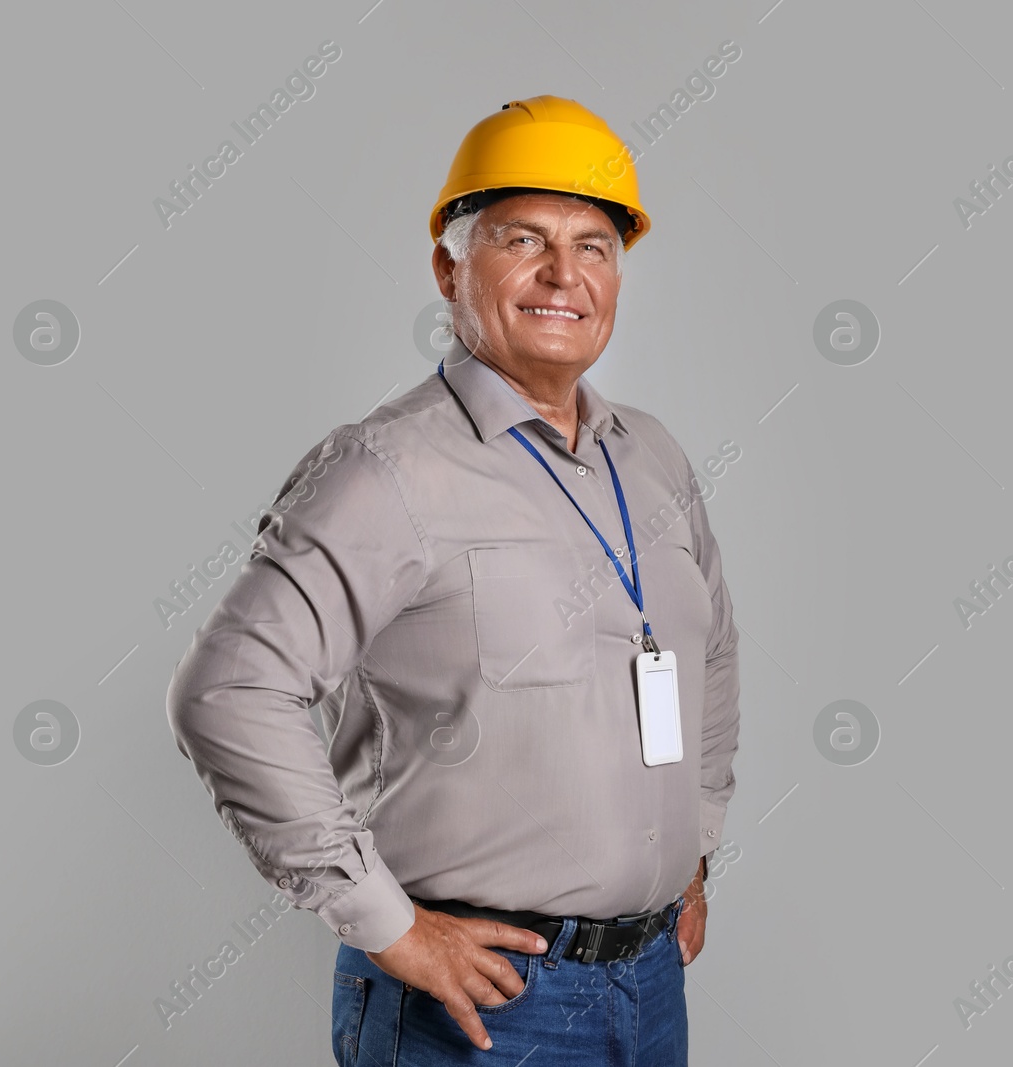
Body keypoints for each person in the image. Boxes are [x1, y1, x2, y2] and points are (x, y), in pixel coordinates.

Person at [165, 94, 741, 1065]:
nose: (565, 274)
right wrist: (386, 923)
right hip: (483, 1006)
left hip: (648, 987)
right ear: (449, 266)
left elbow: (708, 656)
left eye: (594, 245)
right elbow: (227, 689)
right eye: (524, 239)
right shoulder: (387, 471)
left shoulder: (654, 459)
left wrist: (692, 851)